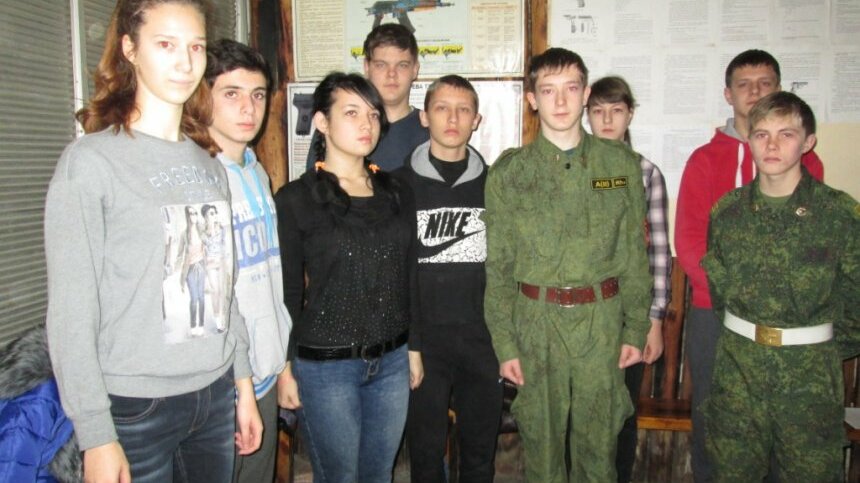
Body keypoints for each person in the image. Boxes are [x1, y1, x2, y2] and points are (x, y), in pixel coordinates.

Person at [44, 1, 262, 482]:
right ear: (130, 49)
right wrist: (96, 435)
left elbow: (222, 289)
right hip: (134, 408)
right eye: (166, 45)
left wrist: (243, 383)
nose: (185, 62)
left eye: (196, 47)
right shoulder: (91, 162)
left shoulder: (208, 164)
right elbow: (70, 313)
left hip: (214, 393)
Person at [483, 48, 652, 482]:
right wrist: (505, 344)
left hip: (602, 322)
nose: (560, 101)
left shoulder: (619, 165)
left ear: (586, 93)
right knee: (542, 450)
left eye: (571, 88)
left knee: (599, 450)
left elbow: (634, 255)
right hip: (536, 323)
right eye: (548, 90)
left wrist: (636, 327)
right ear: (532, 99)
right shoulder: (510, 174)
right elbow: (498, 268)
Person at [674, 49, 824, 482]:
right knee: (714, 419)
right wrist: (734, 294)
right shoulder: (706, 160)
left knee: (777, 424)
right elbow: (689, 241)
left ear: (778, 88)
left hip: (783, 318)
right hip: (715, 314)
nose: (755, 91)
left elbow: (813, 244)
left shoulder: (807, 162)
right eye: (744, 84)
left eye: (765, 83)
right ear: (729, 94)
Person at [702, 91, 859, 482]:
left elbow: (855, 300)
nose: (771, 145)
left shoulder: (839, 215)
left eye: (785, 134)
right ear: (749, 140)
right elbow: (721, 294)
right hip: (739, 369)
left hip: (809, 376)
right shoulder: (727, 213)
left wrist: (815, 348)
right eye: (761, 134)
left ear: (808, 142)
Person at [275, 72, 424, 482]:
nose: (366, 124)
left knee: (379, 474)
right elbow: (288, 291)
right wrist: (284, 369)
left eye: (373, 114)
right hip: (326, 368)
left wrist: (413, 348)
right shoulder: (296, 199)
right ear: (322, 122)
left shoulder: (397, 191)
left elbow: (409, 273)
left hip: (392, 361)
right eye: (352, 113)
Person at [395, 75, 502, 483]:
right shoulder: (397, 185)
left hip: (483, 341)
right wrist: (410, 342)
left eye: (463, 110)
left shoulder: (496, 186)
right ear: (424, 116)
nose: (452, 118)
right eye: (442, 108)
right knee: (425, 456)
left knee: (479, 455)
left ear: (477, 120)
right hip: (424, 343)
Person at [204, 38, 292, 483]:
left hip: (265, 372)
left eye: (257, 95)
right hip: (223, 384)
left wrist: (282, 366)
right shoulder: (200, 176)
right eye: (231, 93)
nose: (248, 108)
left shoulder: (257, 171)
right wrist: (239, 388)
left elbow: (268, 280)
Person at [585, 75, 671, 483]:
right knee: (578, 412)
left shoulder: (646, 173)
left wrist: (654, 318)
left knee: (622, 412)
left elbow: (658, 251)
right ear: (587, 116)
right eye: (598, 111)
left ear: (630, 115)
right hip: (580, 314)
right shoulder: (572, 167)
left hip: (628, 314)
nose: (607, 120)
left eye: (616, 111)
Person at [304, 23, 429, 172]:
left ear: (415, 69)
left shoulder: (431, 131)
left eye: (402, 65)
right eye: (381, 65)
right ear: (367, 67)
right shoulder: (338, 130)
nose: (391, 74)